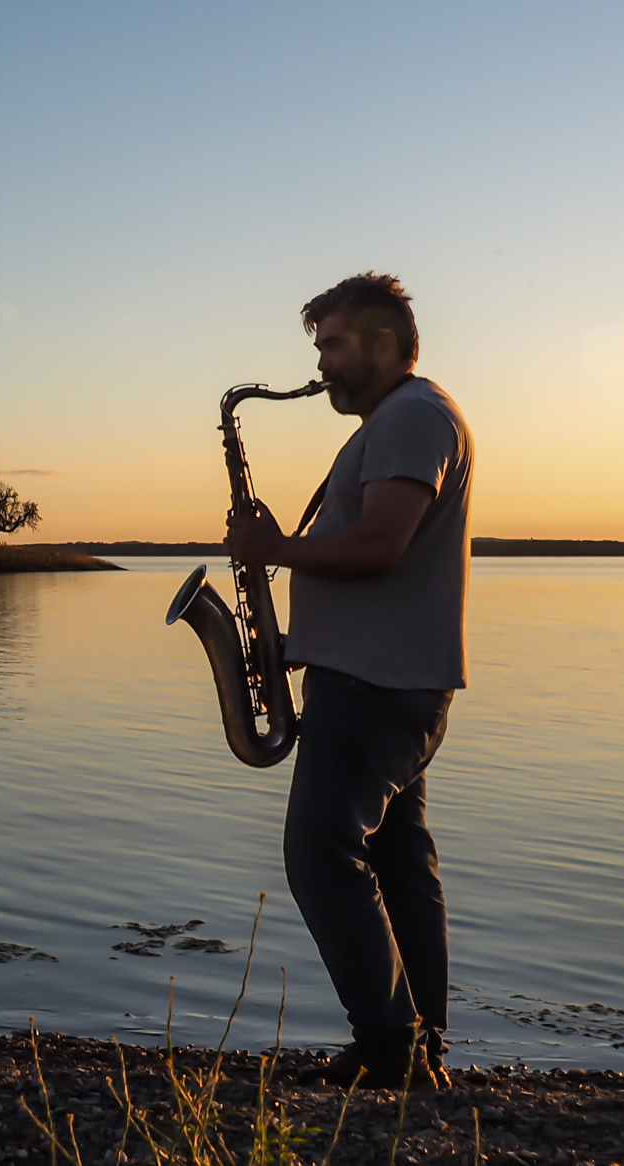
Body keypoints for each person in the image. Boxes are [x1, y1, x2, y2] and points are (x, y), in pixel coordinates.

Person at [224, 272, 475, 1090]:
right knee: (400, 862)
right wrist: (298, 638)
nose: (322, 364)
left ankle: (390, 1045)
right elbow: (376, 563)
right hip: (383, 675)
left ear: (380, 343)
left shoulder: (410, 417)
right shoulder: (409, 417)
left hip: (374, 688)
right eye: (319, 347)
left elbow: (380, 547)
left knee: (320, 853)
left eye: (332, 344)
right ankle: (421, 1044)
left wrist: (274, 553)